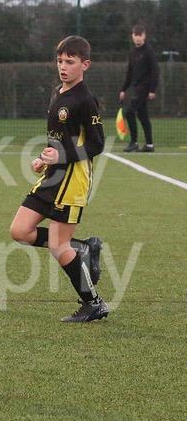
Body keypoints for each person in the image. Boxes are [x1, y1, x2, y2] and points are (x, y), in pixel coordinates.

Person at [10, 35, 108, 323]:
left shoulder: (86, 100)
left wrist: (61, 156)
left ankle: (94, 304)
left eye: (70, 62)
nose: (63, 67)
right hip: (53, 176)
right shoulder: (59, 92)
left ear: (85, 65)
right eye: (60, 61)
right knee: (20, 231)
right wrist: (45, 158)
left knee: (57, 245)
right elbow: (60, 138)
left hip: (73, 180)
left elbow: (97, 144)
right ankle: (82, 248)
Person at [119, 24, 160, 153]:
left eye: (139, 35)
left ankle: (134, 142)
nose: (137, 38)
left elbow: (155, 71)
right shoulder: (132, 53)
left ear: (144, 36)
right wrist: (123, 89)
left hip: (145, 88)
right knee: (143, 115)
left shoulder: (149, 51)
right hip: (135, 88)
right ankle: (149, 145)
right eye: (135, 35)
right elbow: (129, 73)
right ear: (132, 36)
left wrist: (152, 90)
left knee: (129, 111)